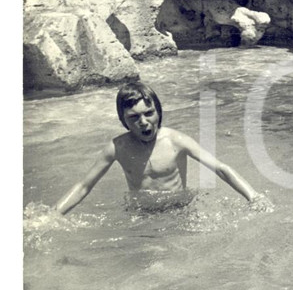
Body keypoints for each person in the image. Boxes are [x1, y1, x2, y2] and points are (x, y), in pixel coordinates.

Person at [56, 82, 269, 214]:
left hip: (179, 211)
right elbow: (84, 186)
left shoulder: (176, 141)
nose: (143, 122)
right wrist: (54, 215)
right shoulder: (117, 147)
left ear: (158, 112)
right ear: (123, 120)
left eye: (148, 113)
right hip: (142, 215)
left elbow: (221, 168)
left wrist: (254, 197)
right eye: (134, 117)